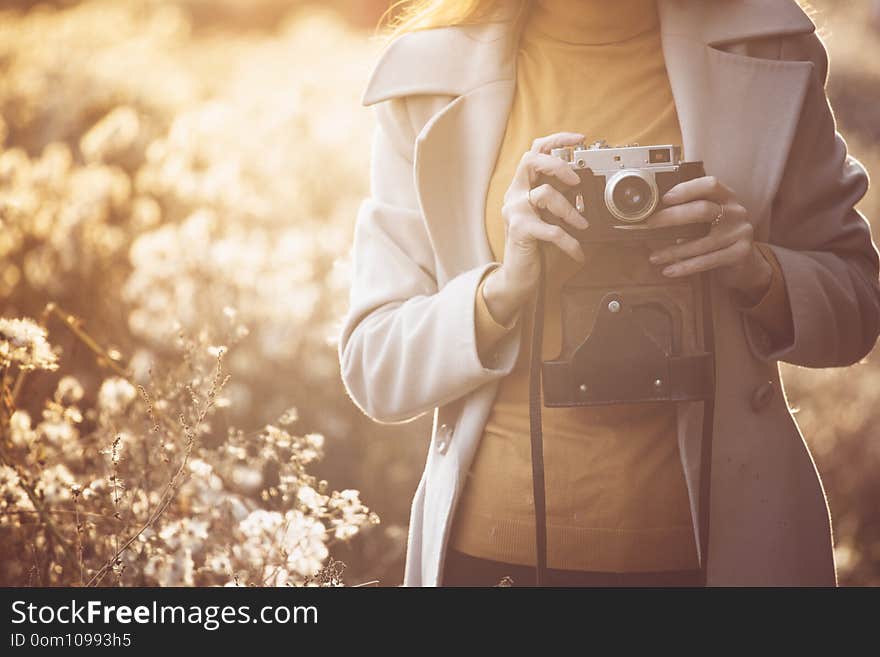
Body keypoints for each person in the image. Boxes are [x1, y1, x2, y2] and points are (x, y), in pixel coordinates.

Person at [338, 0, 880, 586]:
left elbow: (860, 300)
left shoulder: (768, 44)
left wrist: (756, 269)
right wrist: (502, 291)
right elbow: (375, 362)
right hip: (493, 552)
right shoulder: (428, 73)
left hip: (716, 553)